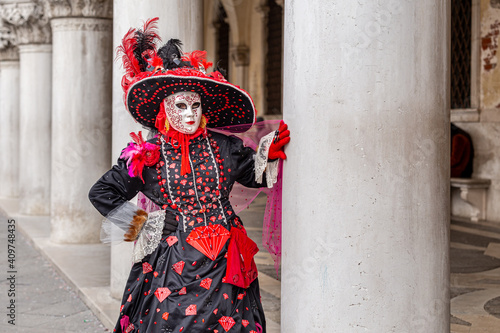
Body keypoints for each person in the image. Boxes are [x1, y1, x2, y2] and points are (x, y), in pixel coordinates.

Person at [88, 18, 289, 333]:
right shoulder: (148, 155)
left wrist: (269, 154)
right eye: (180, 106)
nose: (190, 113)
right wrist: (144, 225)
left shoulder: (225, 146)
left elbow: (254, 176)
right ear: (164, 109)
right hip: (171, 260)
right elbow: (102, 193)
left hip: (226, 260)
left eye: (195, 105)